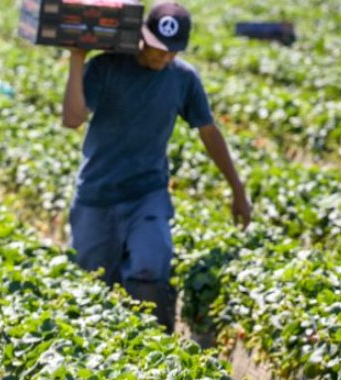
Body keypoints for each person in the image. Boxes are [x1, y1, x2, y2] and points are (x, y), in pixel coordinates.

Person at [61, 2, 251, 332]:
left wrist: (237, 188)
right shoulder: (106, 67)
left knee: (150, 268)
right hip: (97, 193)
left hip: (147, 193)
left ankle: (156, 347)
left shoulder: (183, 79)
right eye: (157, 48)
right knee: (91, 286)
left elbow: (208, 132)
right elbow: (72, 119)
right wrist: (77, 59)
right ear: (142, 36)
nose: (163, 57)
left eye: (171, 52)